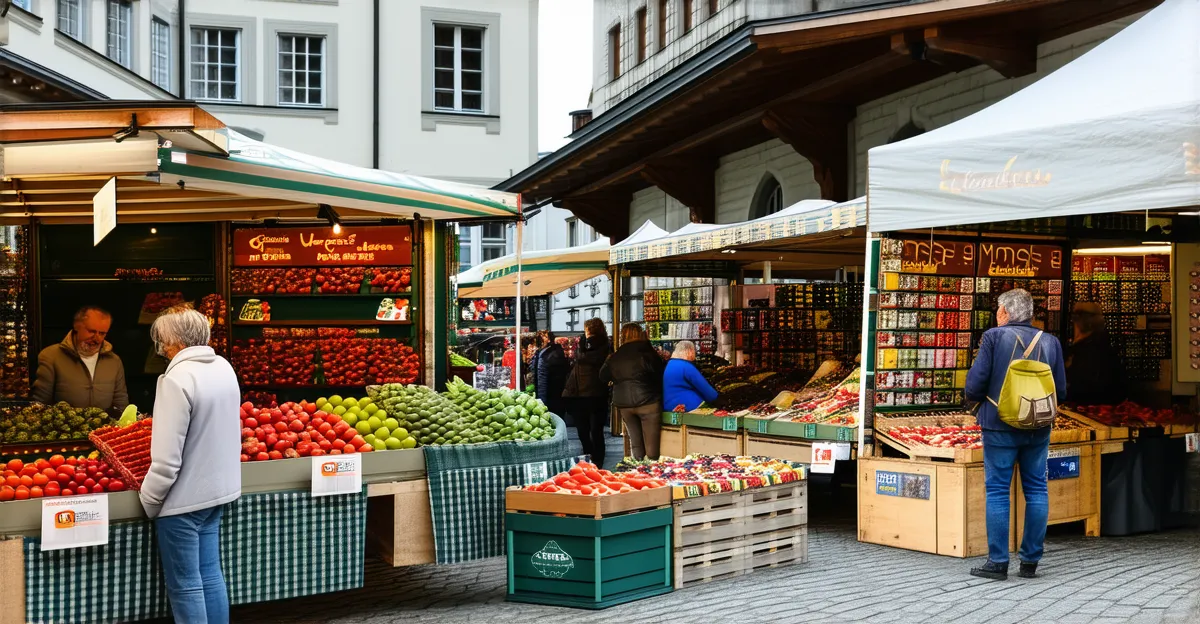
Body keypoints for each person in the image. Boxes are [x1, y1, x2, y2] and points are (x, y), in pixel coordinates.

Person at [141, 306, 241, 623]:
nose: (162, 349)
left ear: (177, 341)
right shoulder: (224, 367)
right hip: (218, 493)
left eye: (163, 341)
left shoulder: (176, 379)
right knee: (210, 574)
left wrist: (150, 500)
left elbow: (166, 460)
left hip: (182, 502)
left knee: (185, 585)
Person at [964, 289, 1066, 581]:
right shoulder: (1051, 342)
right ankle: (1030, 562)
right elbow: (1060, 390)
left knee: (998, 490)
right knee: (1036, 489)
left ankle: (998, 562)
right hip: (1038, 426)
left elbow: (974, 386)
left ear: (1005, 312)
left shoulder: (994, 337)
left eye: (998, 309)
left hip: (999, 425)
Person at [31, 305, 129, 411]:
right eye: (91, 331)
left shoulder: (114, 361)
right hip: (63, 421)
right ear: (76, 326)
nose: (97, 338)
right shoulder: (50, 356)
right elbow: (40, 404)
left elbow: (121, 402)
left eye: (102, 333)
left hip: (105, 422)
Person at [600, 323, 666, 460]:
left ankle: (639, 467)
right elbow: (660, 374)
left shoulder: (615, 356)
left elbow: (603, 376)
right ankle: (652, 468)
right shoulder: (648, 353)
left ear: (623, 336)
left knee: (635, 443)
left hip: (624, 404)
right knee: (652, 448)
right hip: (648, 401)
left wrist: (614, 377)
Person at [562, 318, 612, 467]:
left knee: (583, 429)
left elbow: (581, 359)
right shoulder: (606, 346)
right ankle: (598, 459)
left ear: (588, 330)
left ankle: (589, 455)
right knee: (596, 430)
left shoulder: (584, 347)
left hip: (580, 395)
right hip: (598, 394)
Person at [1065, 302, 1125, 405]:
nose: (1073, 320)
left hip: (1088, 407)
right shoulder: (1104, 346)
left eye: (1076, 316)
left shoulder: (1089, 350)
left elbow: (1084, 385)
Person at [663, 340, 718, 413]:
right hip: (686, 406)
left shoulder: (670, 364)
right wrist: (717, 399)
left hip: (669, 406)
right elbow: (705, 388)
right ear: (689, 351)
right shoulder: (686, 366)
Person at [530, 331, 569, 418]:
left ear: (549, 340)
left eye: (543, 337)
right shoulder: (557, 352)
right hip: (558, 397)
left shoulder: (546, 355)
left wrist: (541, 402)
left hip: (550, 398)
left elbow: (542, 379)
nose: (539, 339)